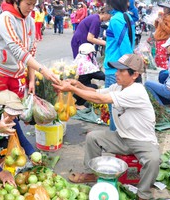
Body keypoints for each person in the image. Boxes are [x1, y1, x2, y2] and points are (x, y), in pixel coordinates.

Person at [53, 54, 160, 200]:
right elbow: (97, 92)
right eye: (117, 70)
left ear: (134, 74)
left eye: (121, 71)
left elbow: (101, 99)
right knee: (93, 137)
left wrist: (73, 90)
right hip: (121, 137)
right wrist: (77, 85)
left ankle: (143, 194)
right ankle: (91, 174)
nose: (116, 73)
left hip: (142, 141)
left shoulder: (137, 91)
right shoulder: (119, 87)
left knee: (153, 159)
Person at [0, 0, 60, 102]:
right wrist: (43, 70)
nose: (31, 8)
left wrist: (32, 80)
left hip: (18, 74)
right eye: (28, 4)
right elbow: (18, 49)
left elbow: (31, 52)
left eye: (33, 5)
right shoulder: (6, 18)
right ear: (16, 2)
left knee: (17, 109)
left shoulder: (29, 21)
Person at [0, 90, 38, 186]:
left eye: (15, 115)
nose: (13, 117)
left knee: (7, 146)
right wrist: (0, 172)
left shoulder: (12, 118)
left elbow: (21, 138)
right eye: (9, 114)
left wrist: (32, 154)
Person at [103, 0, 135, 132]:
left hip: (115, 69)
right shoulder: (126, 16)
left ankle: (115, 142)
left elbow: (125, 46)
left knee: (115, 111)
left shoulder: (116, 20)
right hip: (119, 67)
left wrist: (126, 68)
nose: (106, 5)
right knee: (120, 111)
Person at [154, 2, 170, 69]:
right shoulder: (163, 16)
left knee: (162, 59)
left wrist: (161, 22)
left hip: (164, 40)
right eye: (163, 7)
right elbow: (157, 27)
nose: (164, 9)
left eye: (165, 8)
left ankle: (164, 72)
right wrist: (157, 21)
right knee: (158, 58)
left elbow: (169, 31)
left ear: (169, 9)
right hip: (158, 40)